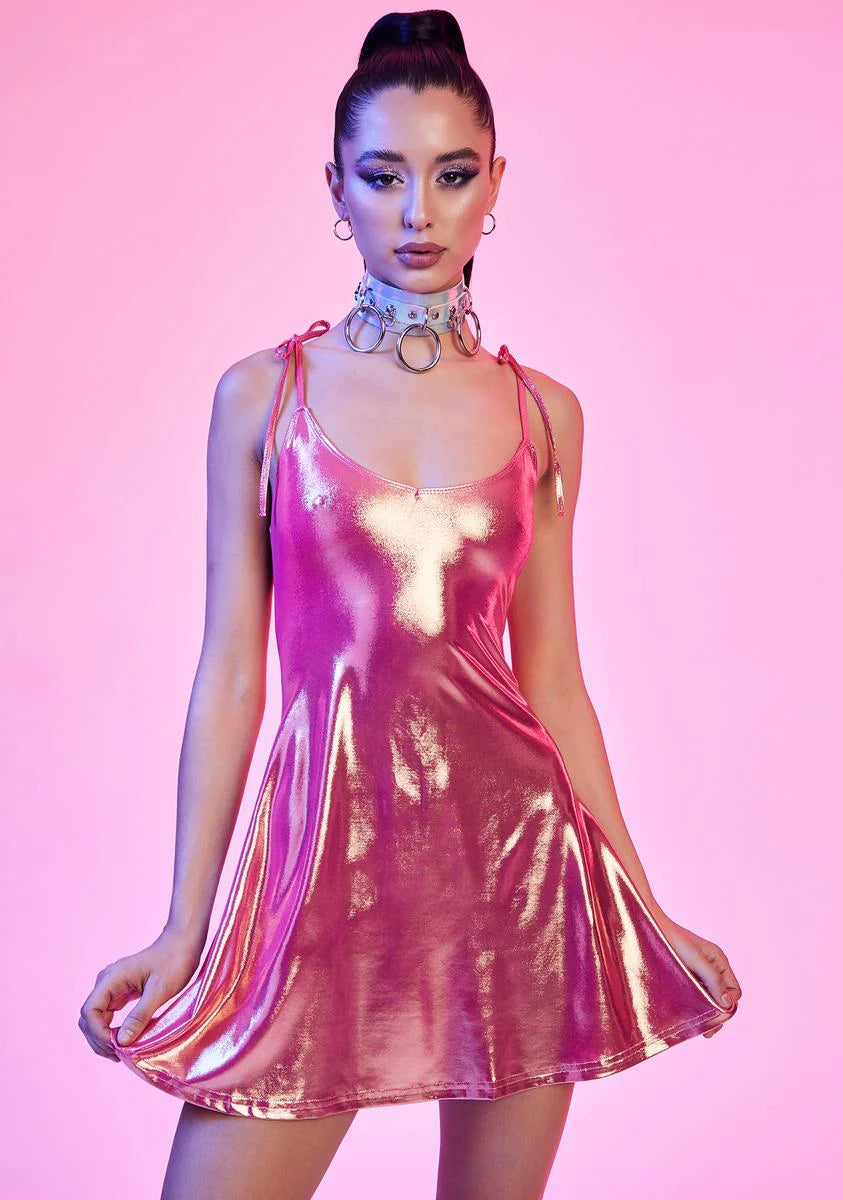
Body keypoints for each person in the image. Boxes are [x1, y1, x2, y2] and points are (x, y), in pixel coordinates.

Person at [79, 10, 741, 1199]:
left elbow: (555, 684)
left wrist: (642, 905)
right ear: (336, 188)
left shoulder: (544, 414)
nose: (419, 212)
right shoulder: (263, 397)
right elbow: (231, 675)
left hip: (520, 877)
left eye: (452, 175)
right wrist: (185, 926)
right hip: (320, 879)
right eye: (384, 177)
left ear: (497, 184)